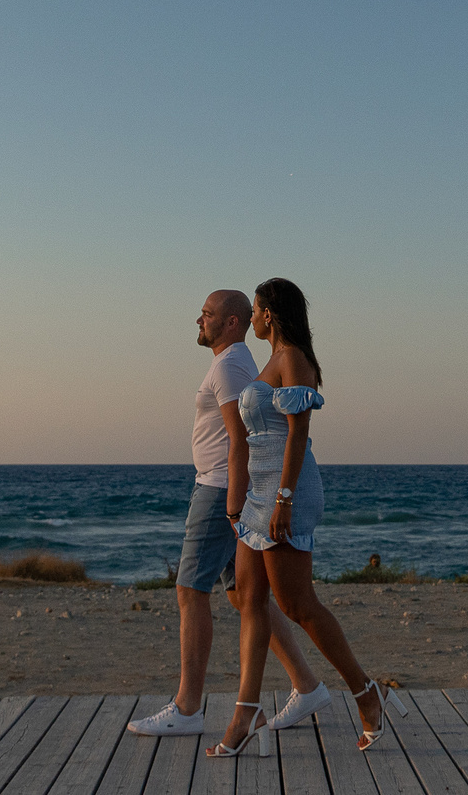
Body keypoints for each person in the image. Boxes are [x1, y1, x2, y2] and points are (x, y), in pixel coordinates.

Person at [207, 277, 391, 757]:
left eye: (258, 309)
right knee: (249, 598)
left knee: (297, 604)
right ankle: (246, 710)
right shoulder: (271, 360)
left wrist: (285, 499)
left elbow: (296, 436)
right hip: (260, 493)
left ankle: (366, 693)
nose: (253, 317)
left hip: (287, 492)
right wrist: (246, 495)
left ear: (272, 313)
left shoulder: (295, 361)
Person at [128, 289, 322, 737]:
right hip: (221, 487)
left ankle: (188, 708)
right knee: (244, 595)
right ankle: (307, 686)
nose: (199, 321)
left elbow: (244, 437)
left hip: (220, 490)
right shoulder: (227, 363)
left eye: (208, 315)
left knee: (190, 590)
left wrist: (236, 503)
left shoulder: (233, 364)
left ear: (234, 322)